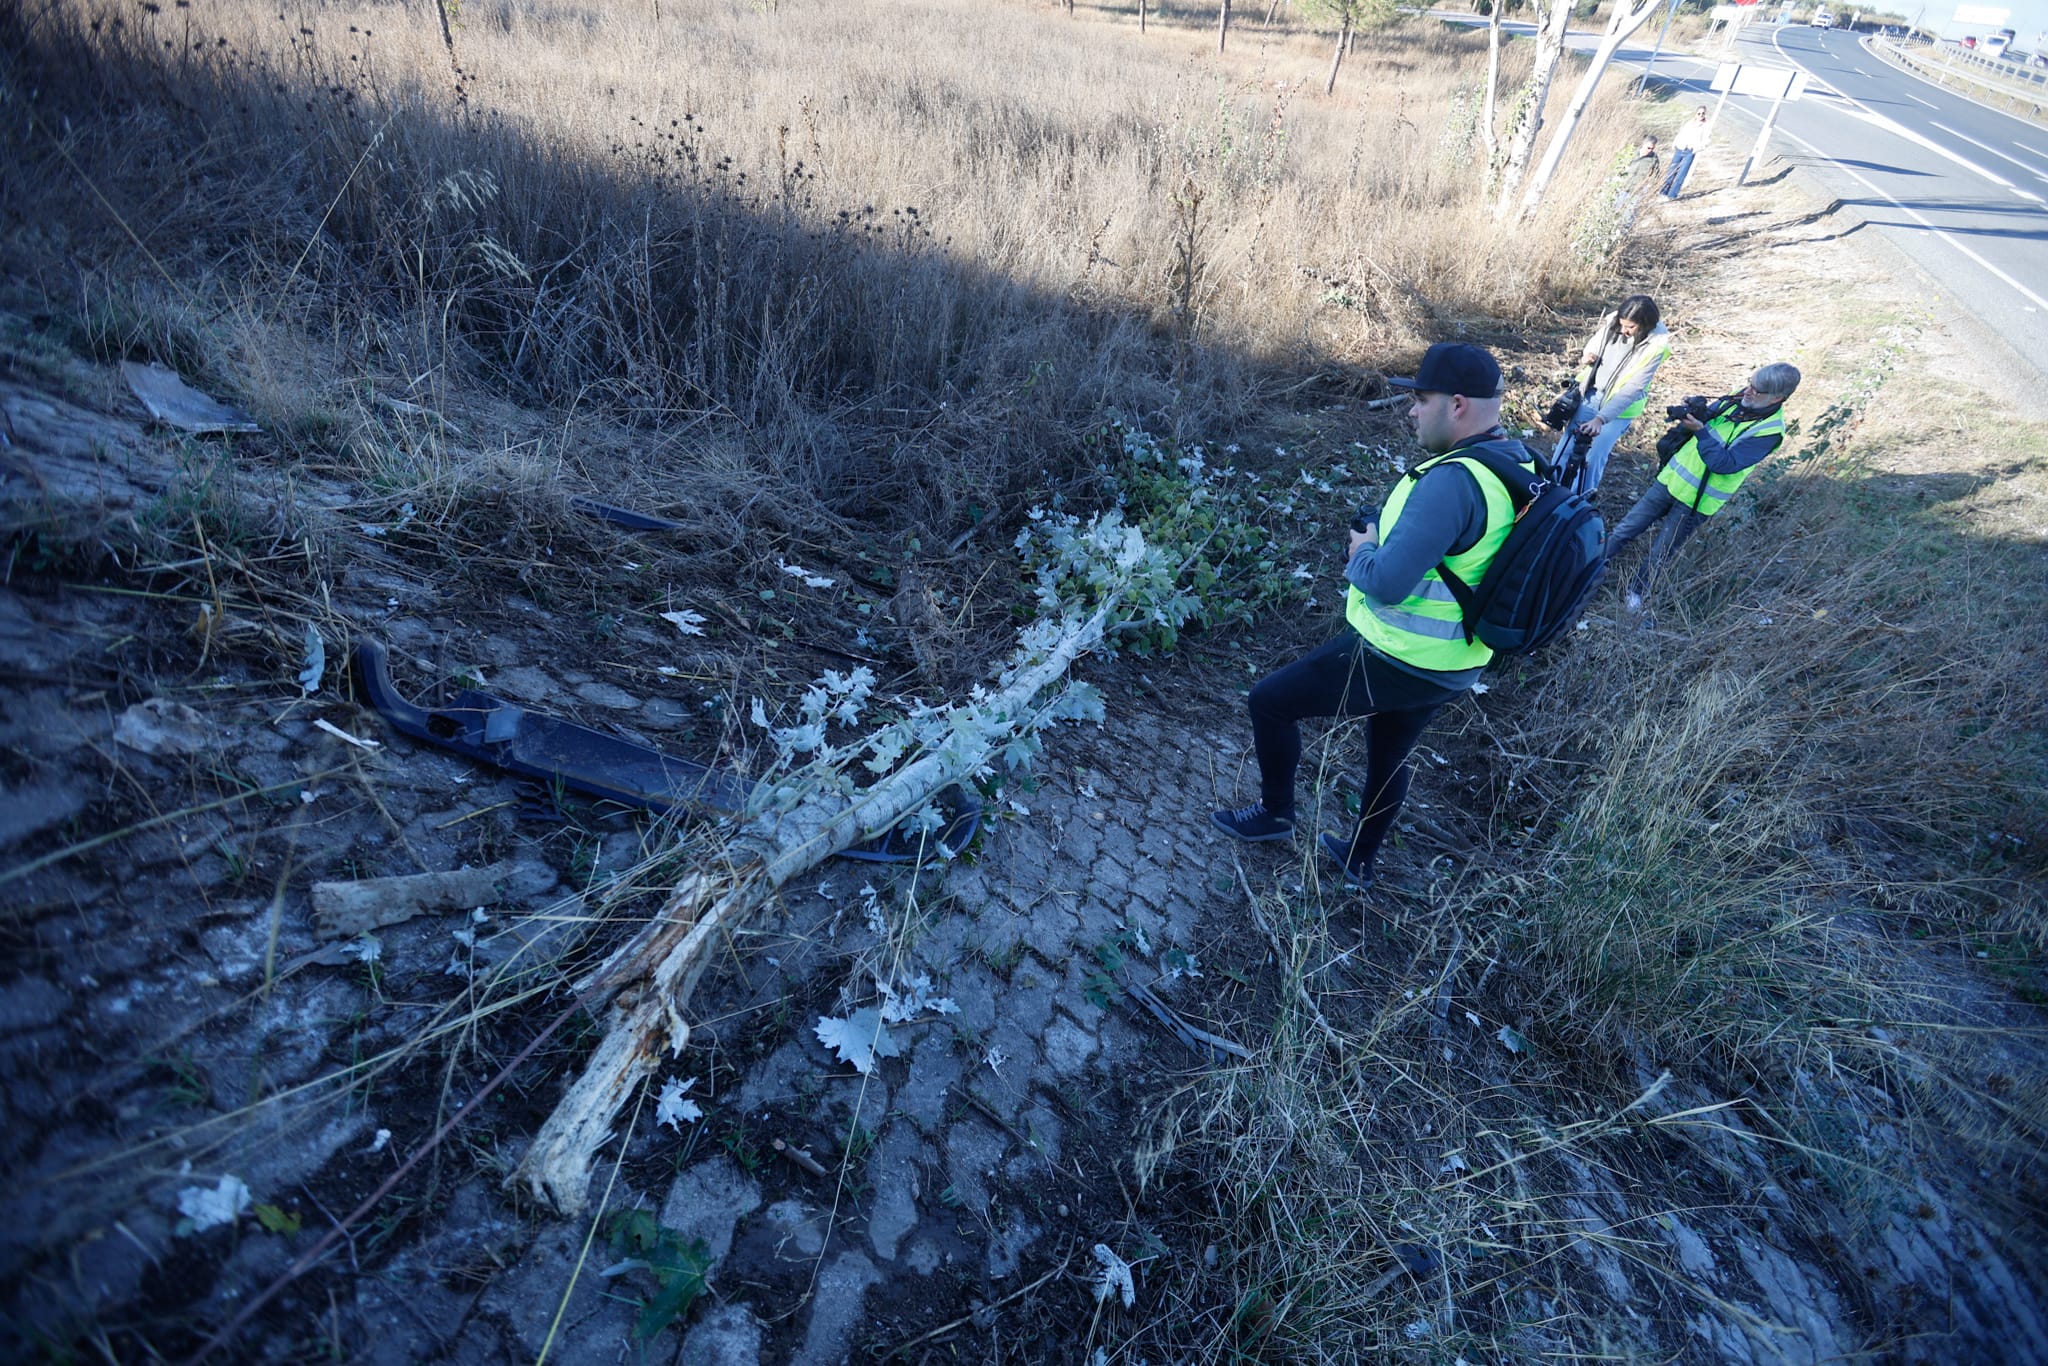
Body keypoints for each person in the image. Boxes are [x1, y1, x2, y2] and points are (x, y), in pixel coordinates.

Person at [1211, 343, 1536, 891]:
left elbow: (1384, 584)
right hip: (1456, 661)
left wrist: (1362, 548)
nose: (1411, 410)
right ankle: (1358, 860)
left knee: (1269, 703)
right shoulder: (1519, 461)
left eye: (1420, 399)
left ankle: (1275, 816)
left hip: (1398, 655)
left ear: (1456, 405)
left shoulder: (1455, 479)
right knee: (1390, 751)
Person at [1603, 361, 1802, 612]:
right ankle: (1591, 567)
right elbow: (1709, 417)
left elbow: (1725, 463)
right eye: (1750, 383)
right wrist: (1696, 412)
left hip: (1697, 502)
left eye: (1757, 390)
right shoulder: (1739, 397)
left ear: (1778, 398)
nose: (1748, 391)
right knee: (1624, 530)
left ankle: (1635, 594)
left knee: (1660, 553)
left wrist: (1700, 431)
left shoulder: (1769, 432)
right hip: (1670, 481)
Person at [1554, 295, 1671, 497]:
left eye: (1631, 327)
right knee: (1565, 449)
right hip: (1590, 395)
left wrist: (1601, 419)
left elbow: (1633, 388)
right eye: (1622, 324)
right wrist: (1587, 355)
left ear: (1645, 325)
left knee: (1592, 457)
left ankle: (1578, 503)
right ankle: (1548, 492)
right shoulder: (1613, 322)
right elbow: (1595, 343)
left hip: (1618, 411)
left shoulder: (1656, 347)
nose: (1624, 331)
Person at [1662, 107, 1709, 199]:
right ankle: (1663, 192)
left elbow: (1706, 141)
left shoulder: (1705, 126)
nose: (1700, 115)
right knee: (1671, 171)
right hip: (1680, 148)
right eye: (1699, 113)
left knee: (1681, 174)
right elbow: (1681, 134)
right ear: (1695, 114)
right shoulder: (1689, 123)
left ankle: (1672, 195)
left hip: (1690, 151)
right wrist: (1675, 144)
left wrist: (1696, 148)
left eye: (1702, 113)